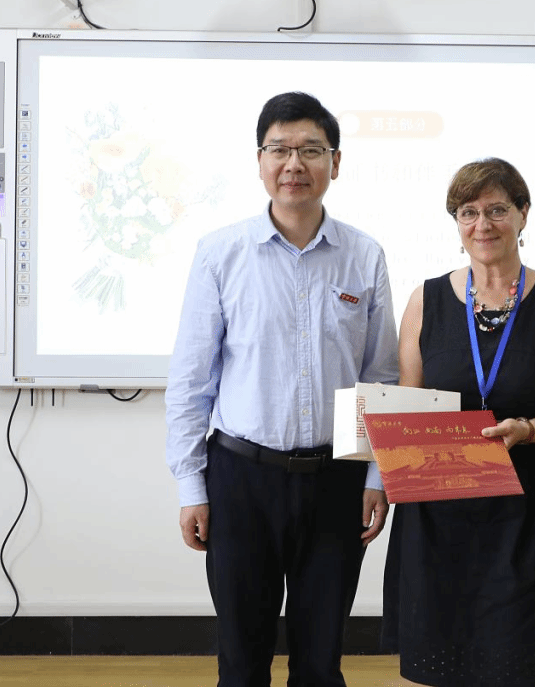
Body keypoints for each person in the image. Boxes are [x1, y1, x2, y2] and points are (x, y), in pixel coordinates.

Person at [165, 91, 398, 687]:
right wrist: (192, 485)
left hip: (336, 481)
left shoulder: (364, 255)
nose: (294, 164)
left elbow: (380, 378)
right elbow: (191, 382)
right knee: (242, 663)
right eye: (280, 150)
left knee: (321, 662)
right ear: (260, 161)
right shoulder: (220, 253)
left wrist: (377, 476)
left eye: (311, 150)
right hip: (241, 480)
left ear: (335, 163)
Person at [381, 157, 535, 687]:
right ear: (457, 222)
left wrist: (528, 429)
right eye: (469, 212)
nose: (483, 224)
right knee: (444, 663)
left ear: (524, 214)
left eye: (498, 210)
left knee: (523, 662)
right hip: (440, 513)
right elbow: (409, 405)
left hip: (529, 512)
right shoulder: (425, 301)